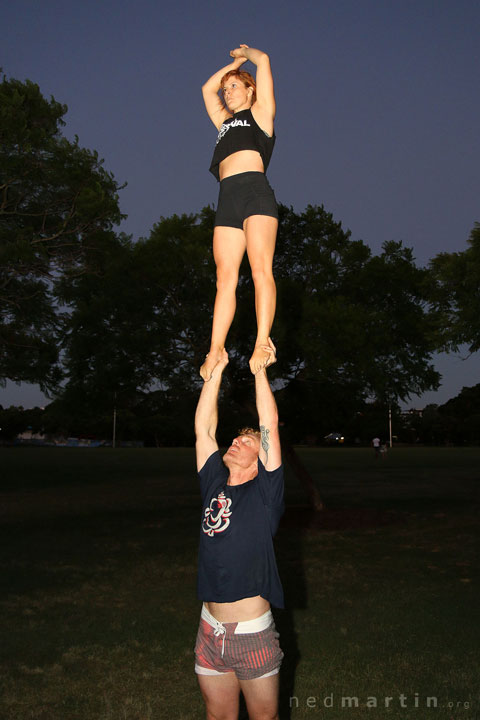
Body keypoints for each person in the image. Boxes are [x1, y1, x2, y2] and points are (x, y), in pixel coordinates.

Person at [194, 338, 284, 720]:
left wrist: (259, 370)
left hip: (252, 635)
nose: (236, 441)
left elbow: (269, 425)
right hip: (208, 628)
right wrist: (212, 374)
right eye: (236, 438)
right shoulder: (213, 482)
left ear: (258, 455)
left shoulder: (266, 494)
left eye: (245, 441)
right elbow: (204, 430)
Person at [200, 45, 279, 381]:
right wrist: (231, 67)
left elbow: (264, 61)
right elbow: (206, 89)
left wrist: (248, 56)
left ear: (250, 90)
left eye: (234, 86)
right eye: (226, 88)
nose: (227, 91)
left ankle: (263, 341)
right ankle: (216, 349)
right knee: (224, 279)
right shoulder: (224, 122)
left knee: (261, 269)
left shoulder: (261, 113)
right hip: (226, 198)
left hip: (255, 194)